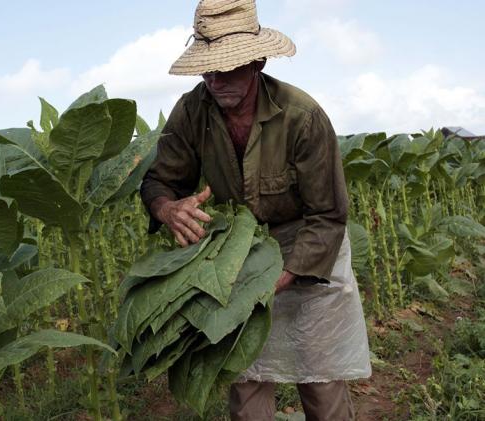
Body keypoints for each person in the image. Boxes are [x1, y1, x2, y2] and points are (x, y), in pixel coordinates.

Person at [140, 0, 372, 419]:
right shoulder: (191, 111)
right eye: (207, 69)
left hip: (308, 250)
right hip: (240, 253)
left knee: (319, 378)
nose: (214, 79)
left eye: (226, 67)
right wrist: (168, 208)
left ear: (257, 62)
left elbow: (328, 215)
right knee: (246, 379)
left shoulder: (302, 117)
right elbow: (160, 181)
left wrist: (281, 277)